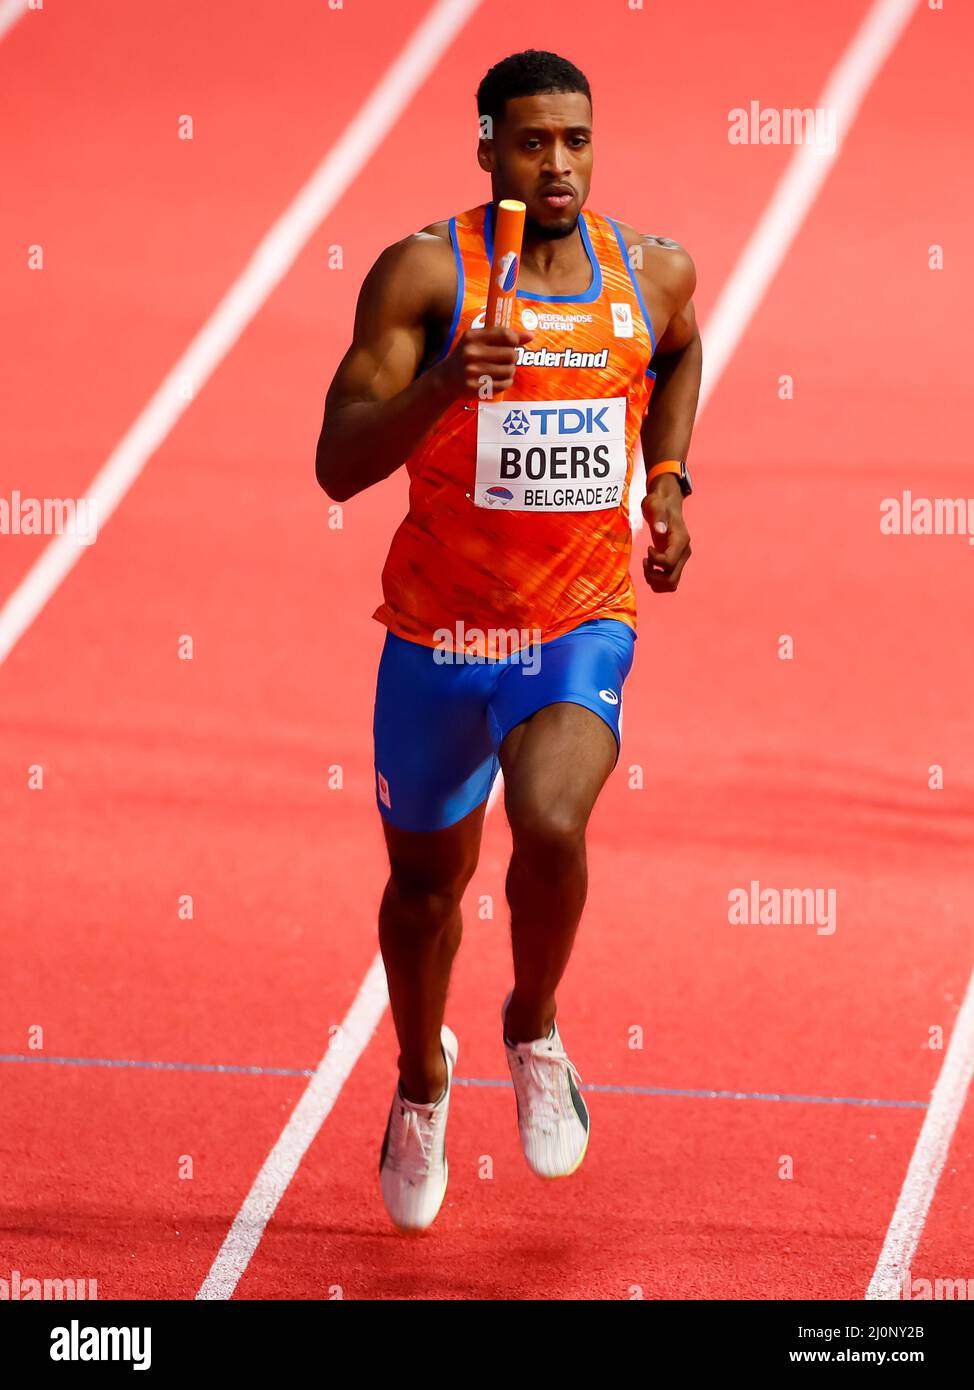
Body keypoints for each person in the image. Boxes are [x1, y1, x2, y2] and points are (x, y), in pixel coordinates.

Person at [315, 49, 701, 1231]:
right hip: (436, 634)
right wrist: (441, 389)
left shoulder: (649, 269)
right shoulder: (424, 273)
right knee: (424, 891)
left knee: (548, 818)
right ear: (486, 148)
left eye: (575, 141)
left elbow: (677, 346)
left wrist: (670, 480)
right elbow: (335, 462)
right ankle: (420, 1078)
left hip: (575, 620)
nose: (558, 165)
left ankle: (530, 1024)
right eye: (531, 143)